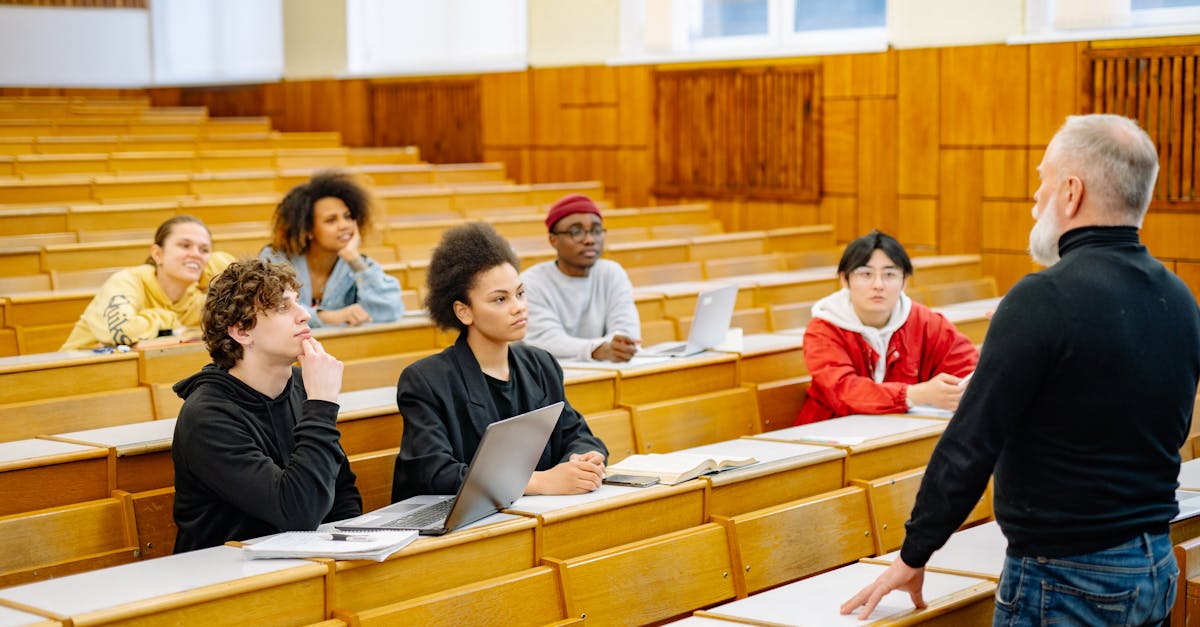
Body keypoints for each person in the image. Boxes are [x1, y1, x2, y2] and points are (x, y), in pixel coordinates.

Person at [842, 114, 1200, 625]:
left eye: (1042, 181)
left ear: (1071, 192)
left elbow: (970, 443)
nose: (1036, 198)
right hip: (1154, 563)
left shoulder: (1043, 298)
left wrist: (914, 553)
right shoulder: (1179, 296)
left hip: (1065, 578)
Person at [392, 222, 608, 502]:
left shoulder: (540, 364)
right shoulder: (425, 380)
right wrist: (538, 481)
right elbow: (434, 472)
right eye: (500, 299)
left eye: (520, 293)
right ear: (464, 311)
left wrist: (585, 459)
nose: (518, 306)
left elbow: (576, 433)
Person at [172, 259, 362, 553]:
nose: (305, 315)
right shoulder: (207, 417)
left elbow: (342, 491)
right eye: (283, 307)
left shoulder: (303, 383)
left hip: (302, 558)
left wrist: (355, 550)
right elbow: (298, 512)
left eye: (297, 302)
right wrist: (322, 404)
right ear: (242, 331)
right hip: (225, 576)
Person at [795, 230, 978, 424]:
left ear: (904, 281)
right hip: (832, 431)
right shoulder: (824, 329)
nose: (878, 285)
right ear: (844, 279)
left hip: (900, 430)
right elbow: (844, 391)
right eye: (865, 274)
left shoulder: (926, 322)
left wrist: (955, 392)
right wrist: (916, 394)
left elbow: (966, 369)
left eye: (889, 274)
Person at [60, 215, 234, 350]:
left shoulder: (197, 300)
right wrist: (167, 319)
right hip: (74, 371)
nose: (196, 254)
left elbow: (241, 306)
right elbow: (121, 332)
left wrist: (216, 273)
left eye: (204, 250)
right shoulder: (128, 281)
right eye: (184, 245)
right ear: (158, 254)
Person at [259, 170, 404, 327]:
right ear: (308, 230)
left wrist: (354, 260)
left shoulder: (356, 263)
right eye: (331, 220)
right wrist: (326, 317)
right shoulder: (274, 259)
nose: (344, 225)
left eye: (348, 217)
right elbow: (269, 310)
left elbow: (391, 309)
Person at [521, 194, 641, 362]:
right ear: (553, 240)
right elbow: (546, 340)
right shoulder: (531, 282)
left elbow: (627, 331)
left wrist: (616, 347)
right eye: (576, 232)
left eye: (596, 230)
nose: (590, 240)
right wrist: (598, 350)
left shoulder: (612, 273)